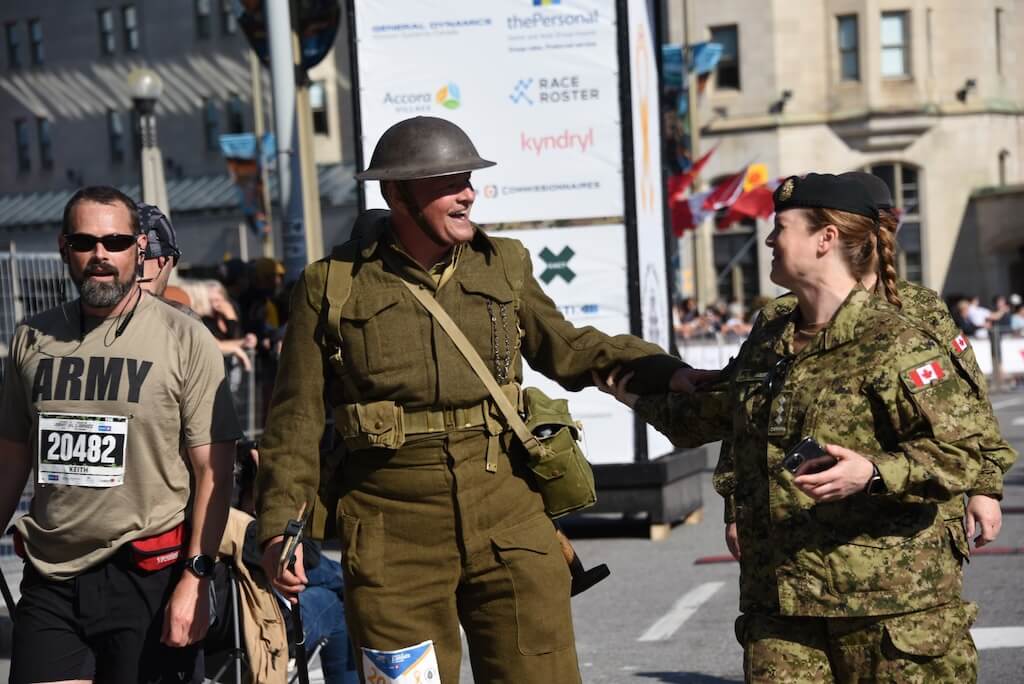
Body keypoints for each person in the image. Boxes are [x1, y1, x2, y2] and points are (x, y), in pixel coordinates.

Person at [254, 116, 687, 683]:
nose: (467, 193)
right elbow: (297, 421)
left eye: (468, 178)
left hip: (508, 516)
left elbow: (571, 349)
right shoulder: (331, 286)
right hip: (391, 530)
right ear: (397, 194)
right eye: (448, 181)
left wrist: (664, 371)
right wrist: (279, 528)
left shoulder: (503, 264)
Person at [603, 174, 984, 680]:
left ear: (825, 238)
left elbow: (961, 455)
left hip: (884, 604)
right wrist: (625, 387)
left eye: (781, 227)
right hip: (780, 604)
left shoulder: (898, 340)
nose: (768, 240)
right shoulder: (771, 338)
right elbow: (715, 417)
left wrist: (872, 471)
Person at [0, 185, 242, 683]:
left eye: (115, 242)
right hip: (52, 580)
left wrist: (195, 581)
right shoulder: (32, 337)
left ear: (139, 248)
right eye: (86, 242)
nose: (100, 256)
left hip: (150, 574)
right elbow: (10, 460)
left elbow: (214, 472)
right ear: (65, 248)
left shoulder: (185, 337)